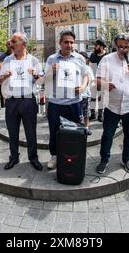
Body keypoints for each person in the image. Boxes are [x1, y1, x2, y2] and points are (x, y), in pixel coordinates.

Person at [95, 34, 129, 174]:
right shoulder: (107, 59)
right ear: (115, 46)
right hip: (111, 106)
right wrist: (106, 84)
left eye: (126, 47)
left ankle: (126, 159)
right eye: (120, 46)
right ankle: (104, 160)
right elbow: (97, 81)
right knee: (107, 135)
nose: (123, 50)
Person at [43, 30, 88, 170]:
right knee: (54, 131)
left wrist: (82, 86)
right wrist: (52, 71)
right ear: (60, 43)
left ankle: (75, 155)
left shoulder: (80, 58)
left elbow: (86, 75)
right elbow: (45, 80)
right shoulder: (52, 59)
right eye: (66, 42)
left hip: (75, 103)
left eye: (71, 42)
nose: (69, 45)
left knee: (76, 131)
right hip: (56, 103)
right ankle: (55, 156)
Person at [0, 32, 43, 171]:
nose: (10, 44)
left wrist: (35, 75)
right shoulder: (7, 60)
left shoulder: (34, 61)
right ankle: (14, 157)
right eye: (11, 41)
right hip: (11, 101)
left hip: (28, 101)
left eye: (14, 41)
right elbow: (0, 80)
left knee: (31, 132)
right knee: (12, 132)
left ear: (23, 44)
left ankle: (33, 157)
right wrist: (4, 76)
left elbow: (41, 81)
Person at [89, 39, 107, 122]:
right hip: (93, 79)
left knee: (101, 98)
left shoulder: (107, 56)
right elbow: (91, 67)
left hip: (102, 80)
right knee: (92, 97)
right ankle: (92, 114)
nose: (95, 47)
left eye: (96, 45)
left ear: (101, 46)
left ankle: (100, 115)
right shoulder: (93, 55)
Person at [79, 52, 95, 135]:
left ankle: (86, 128)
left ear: (86, 59)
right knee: (79, 113)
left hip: (85, 94)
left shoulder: (88, 68)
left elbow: (92, 81)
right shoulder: (74, 67)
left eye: (83, 58)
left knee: (86, 113)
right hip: (76, 95)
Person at [0, 40, 12, 108]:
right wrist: (4, 72)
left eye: (10, 44)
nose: (9, 45)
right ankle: (5, 105)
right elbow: (0, 65)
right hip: (6, 78)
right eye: (8, 44)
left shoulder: (17, 54)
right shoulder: (3, 55)